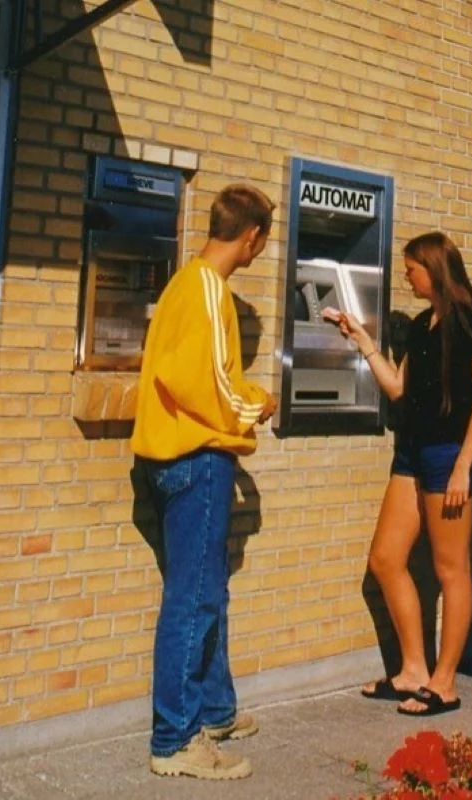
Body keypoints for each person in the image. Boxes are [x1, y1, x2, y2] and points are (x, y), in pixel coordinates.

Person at [130, 184, 278, 780]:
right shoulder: (210, 291)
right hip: (197, 459)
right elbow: (212, 383)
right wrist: (259, 404)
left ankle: (215, 711)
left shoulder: (180, 284)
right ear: (253, 237)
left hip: (168, 458)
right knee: (192, 600)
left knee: (204, 590)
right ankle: (175, 740)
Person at [330, 231, 472, 717]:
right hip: (413, 453)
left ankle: (445, 685)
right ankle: (413, 670)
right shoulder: (423, 324)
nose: (407, 277)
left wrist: (465, 464)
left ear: (434, 268)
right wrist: (362, 342)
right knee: (384, 559)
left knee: (451, 570)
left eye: (412, 269)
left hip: (450, 457)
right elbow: (399, 388)